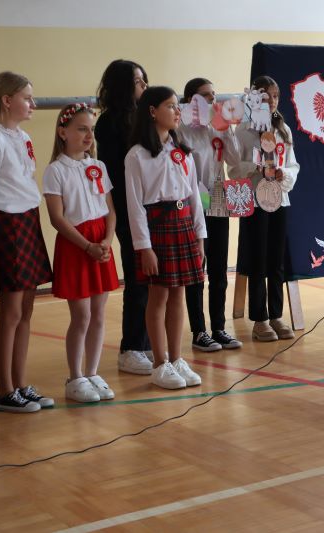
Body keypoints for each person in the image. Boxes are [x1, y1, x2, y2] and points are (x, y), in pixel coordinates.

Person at [0, 71, 54, 412]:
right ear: (7, 101)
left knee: (27, 309)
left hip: (27, 219)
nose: (33, 104)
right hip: (6, 225)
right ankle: (4, 390)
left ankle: (20, 383)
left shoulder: (23, 137)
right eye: (27, 98)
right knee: (11, 310)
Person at [125, 86, 206, 389]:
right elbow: (135, 206)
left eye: (177, 106)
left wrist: (200, 236)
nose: (177, 112)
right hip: (157, 228)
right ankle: (160, 363)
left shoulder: (181, 151)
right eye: (170, 106)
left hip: (183, 226)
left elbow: (193, 195)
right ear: (152, 111)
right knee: (158, 296)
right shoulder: (136, 155)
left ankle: (176, 358)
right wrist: (144, 247)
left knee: (178, 295)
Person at [43, 103, 119, 402]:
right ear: (63, 132)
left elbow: (110, 210)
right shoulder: (55, 170)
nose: (89, 135)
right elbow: (57, 218)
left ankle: (92, 372)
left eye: (91, 130)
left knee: (99, 313)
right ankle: (75, 377)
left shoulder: (98, 166)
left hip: (100, 243)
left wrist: (107, 241)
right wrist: (87, 246)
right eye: (81, 129)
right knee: (82, 315)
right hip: (76, 244)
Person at [95, 59, 155, 376]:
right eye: (137, 81)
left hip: (152, 207)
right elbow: (116, 175)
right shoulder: (109, 123)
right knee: (138, 277)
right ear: (122, 85)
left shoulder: (145, 117)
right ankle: (131, 347)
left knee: (153, 279)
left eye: (145, 80)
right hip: (128, 208)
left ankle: (147, 342)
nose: (143, 86)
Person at [228, 75, 299, 342]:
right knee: (257, 259)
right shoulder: (243, 131)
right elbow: (234, 168)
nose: (271, 102)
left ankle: (276, 315)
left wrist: (283, 174)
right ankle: (260, 319)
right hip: (255, 201)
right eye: (266, 96)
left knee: (276, 260)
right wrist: (255, 167)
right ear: (255, 98)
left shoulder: (283, 129)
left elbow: (293, 164)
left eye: (275, 96)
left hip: (279, 199)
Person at [178, 77, 243, 352]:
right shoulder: (181, 129)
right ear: (190, 100)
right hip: (193, 200)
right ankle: (199, 331)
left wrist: (227, 130)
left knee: (219, 267)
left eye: (213, 95)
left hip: (216, 196)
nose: (212, 100)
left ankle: (219, 327)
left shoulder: (218, 127)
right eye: (205, 96)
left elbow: (235, 160)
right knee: (197, 268)